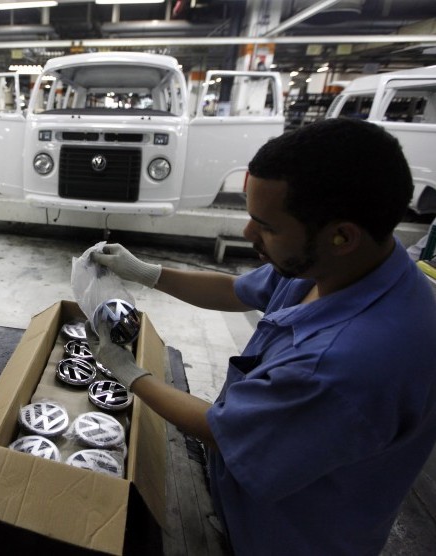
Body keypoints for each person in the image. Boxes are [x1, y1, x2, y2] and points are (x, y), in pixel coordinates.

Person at [87, 117, 436, 555]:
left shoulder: (348, 366)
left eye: (266, 226)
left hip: (283, 538)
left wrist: (128, 373)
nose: (249, 234)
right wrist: (146, 273)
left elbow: (221, 433)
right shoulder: (345, 268)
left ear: (342, 235)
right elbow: (237, 289)